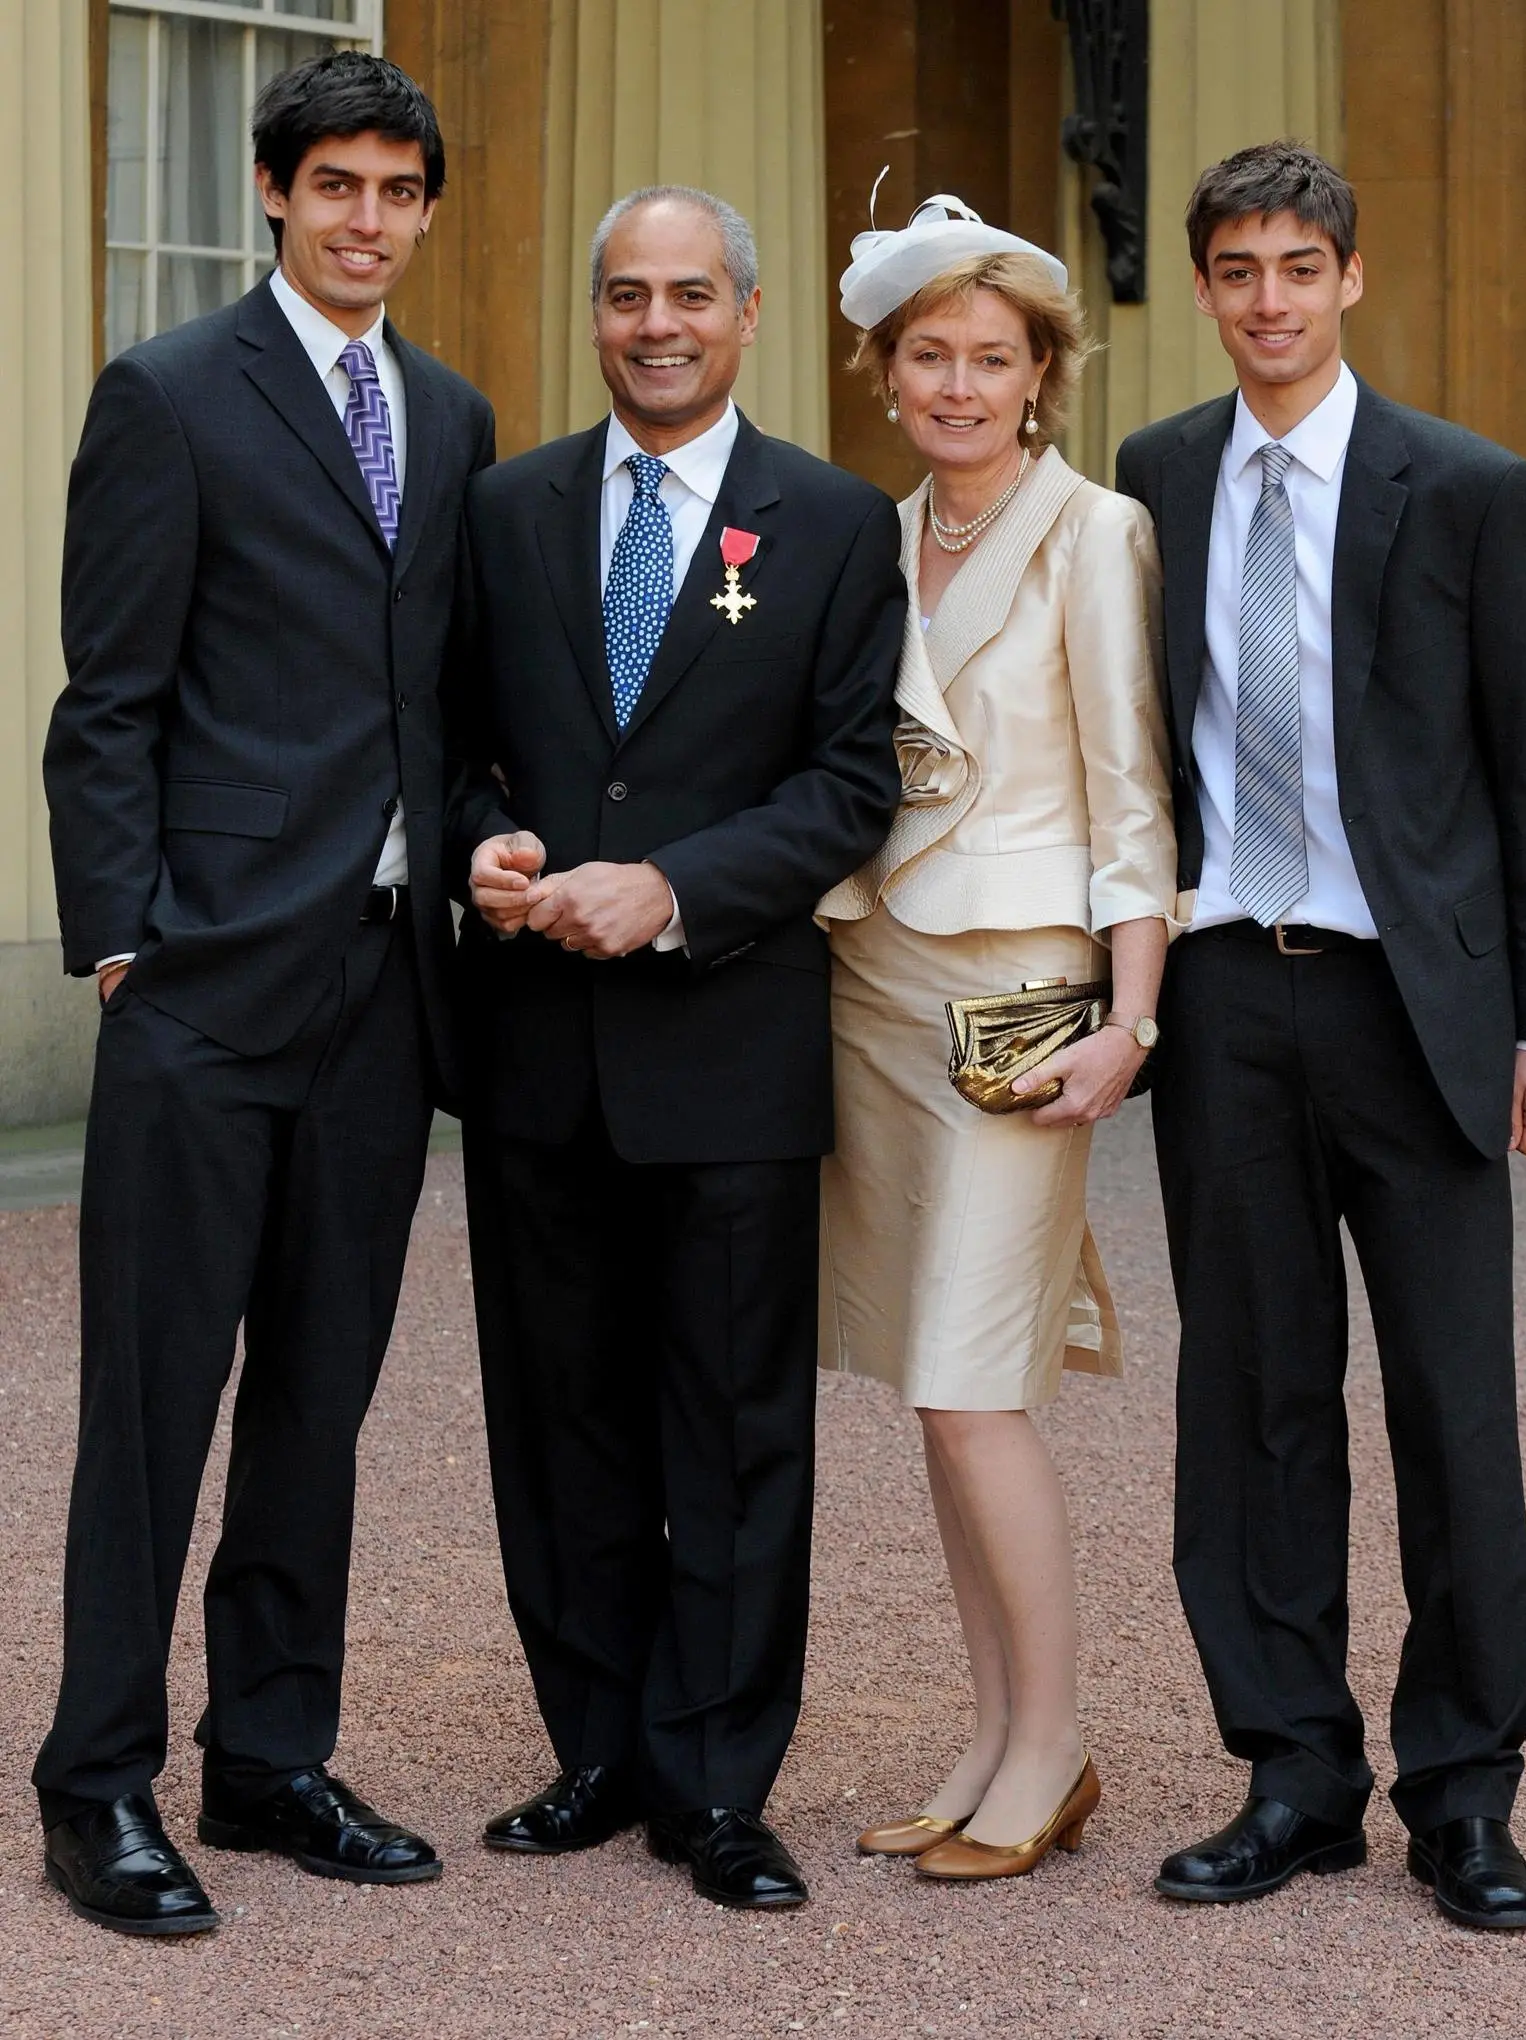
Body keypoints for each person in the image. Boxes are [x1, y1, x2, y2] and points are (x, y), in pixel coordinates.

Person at [36, 53, 495, 1937]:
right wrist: (120, 940)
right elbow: (107, 702)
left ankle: (270, 1757)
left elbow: (437, 693)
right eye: (337, 185)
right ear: (274, 192)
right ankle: (96, 1786)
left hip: (384, 990)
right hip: (206, 984)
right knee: (154, 1402)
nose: (367, 218)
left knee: (318, 1397)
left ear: (424, 209)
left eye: (398, 189)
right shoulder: (166, 394)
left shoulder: (451, 416)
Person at [1115, 141, 1526, 1930]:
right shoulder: (1158, 473)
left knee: (1453, 1407)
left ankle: (1464, 1796)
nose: (1268, 300)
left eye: (1298, 267)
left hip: (1417, 1002)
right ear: (1205, 287)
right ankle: (1295, 1777)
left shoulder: (1464, 486)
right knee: (1251, 1399)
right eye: (1237, 269)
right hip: (1228, 987)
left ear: (1350, 280)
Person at [447, 184, 904, 1912]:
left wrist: (675, 889)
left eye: (691, 295)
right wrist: (485, 843)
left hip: (728, 1047)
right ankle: (598, 1748)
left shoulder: (835, 523)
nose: (658, 324)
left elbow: (851, 786)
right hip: (538, 1051)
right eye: (629, 295)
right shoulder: (507, 510)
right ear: (596, 316)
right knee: (558, 1418)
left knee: (731, 1433)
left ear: (749, 315)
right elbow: (457, 742)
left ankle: (715, 1784)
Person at [819, 196, 1180, 1881]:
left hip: (1024, 997)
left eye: (990, 358)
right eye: (929, 356)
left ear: (1043, 374)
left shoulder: (1095, 532)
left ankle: (1057, 1746)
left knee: (977, 1387)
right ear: (887, 373)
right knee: (930, 1387)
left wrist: (1132, 1021)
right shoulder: (870, 536)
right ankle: (989, 1737)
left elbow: (1133, 793)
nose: (958, 385)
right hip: (877, 983)